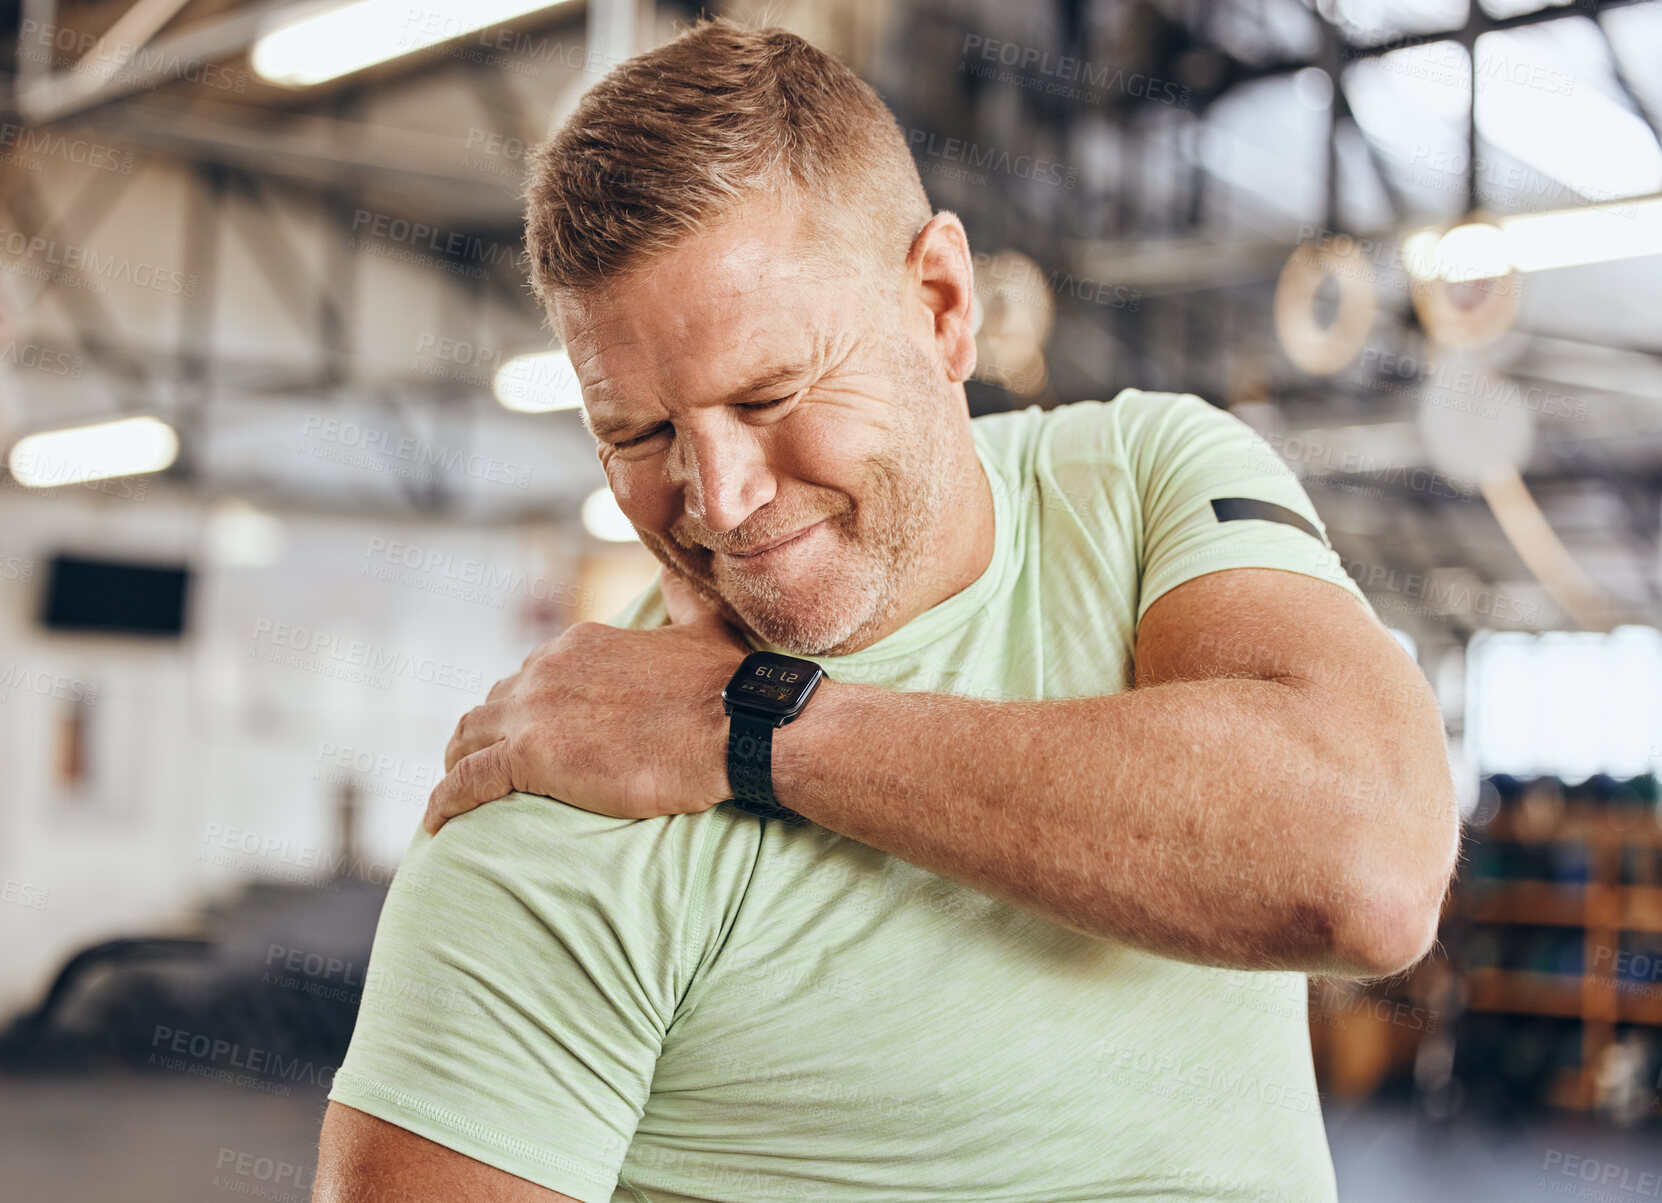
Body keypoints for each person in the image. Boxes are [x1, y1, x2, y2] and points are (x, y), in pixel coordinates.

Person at [313, 17, 1458, 1203]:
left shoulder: (1136, 481)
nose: (719, 498)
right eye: (640, 434)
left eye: (770, 393)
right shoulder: (564, 806)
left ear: (941, 302)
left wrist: (749, 725)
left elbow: (1365, 867)